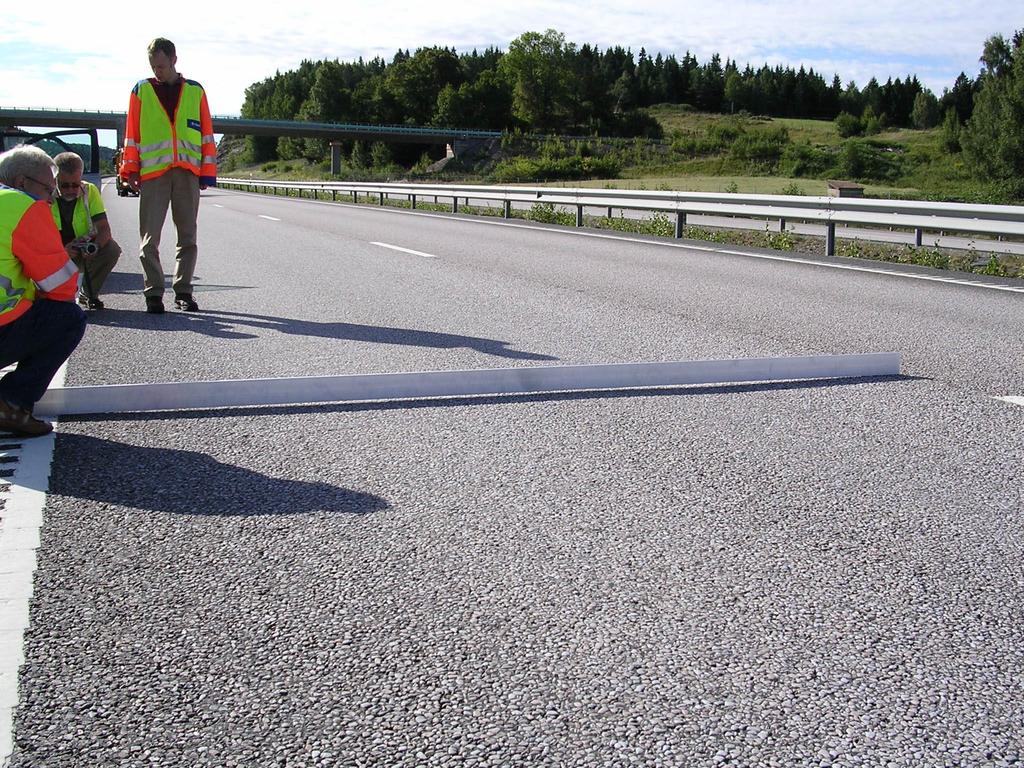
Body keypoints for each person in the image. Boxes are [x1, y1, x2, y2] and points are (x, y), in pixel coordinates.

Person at [120, 37, 216, 314]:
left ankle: (183, 292)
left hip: (187, 173)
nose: (157, 71)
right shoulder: (141, 90)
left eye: (161, 65)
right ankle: (153, 293)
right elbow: (132, 134)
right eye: (153, 66)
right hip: (153, 174)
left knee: (188, 236)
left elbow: (207, 134)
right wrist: (130, 169)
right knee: (150, 238)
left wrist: (207, 173)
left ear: (174, 59)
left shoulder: (196, 91)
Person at [0, 146, 87, 437]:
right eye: (48, 190)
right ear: (21, 183)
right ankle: (10, 402)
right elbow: (61, 287)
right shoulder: (20, 205)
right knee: (68, 317)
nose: (51, 200)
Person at [51, 151, 122, 310]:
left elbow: (104, 229)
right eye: (65, 185)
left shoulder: (89, 191)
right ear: (55, 180)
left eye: (75, 184)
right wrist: (61, 251)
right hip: (54, 252)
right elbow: (36, 239)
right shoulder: (44, 195)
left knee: (111, 249)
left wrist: (94, 247)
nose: (71, 189)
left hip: (82, 249)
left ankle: (88, 294)